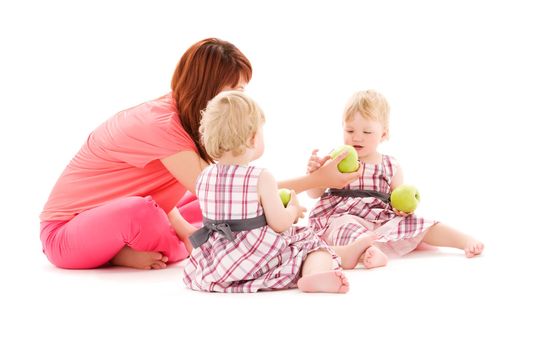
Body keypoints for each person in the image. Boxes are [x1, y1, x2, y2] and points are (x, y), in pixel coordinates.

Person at [40, 38, 361, 270]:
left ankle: (175, 240)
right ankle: (121, 253)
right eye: (233, 89)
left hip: (118, 215)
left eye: (242, 90)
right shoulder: (160, 126)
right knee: (146, 211)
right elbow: (238, 188)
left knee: (209, 207)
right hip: (66, 234)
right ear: (206, 89)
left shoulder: (187, 117)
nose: (240, 99)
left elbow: (222, 185)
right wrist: (315, 179)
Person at [182, 91, 375, 293]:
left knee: (299, 243)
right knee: (308, 244)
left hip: (220, 261)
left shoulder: (204, 176)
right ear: (253, 138)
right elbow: (280, 224)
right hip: (254, 257)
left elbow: (230, 215)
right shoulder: (261, 177)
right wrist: (292, 210)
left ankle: (346, 254)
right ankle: (315, 276)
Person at [306, 90, 484, 268]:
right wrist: (314, 173)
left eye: (367, 132)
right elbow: (314, 193)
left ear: (383, 134)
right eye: (350, 130)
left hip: (379, 220)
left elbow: (398, 199)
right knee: (344, 226)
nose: (357, 137)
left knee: (418, 222)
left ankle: (463, 240)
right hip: (343, 216)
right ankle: (368, 252)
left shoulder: (390, 165)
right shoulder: (335, 159)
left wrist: (402, 210)